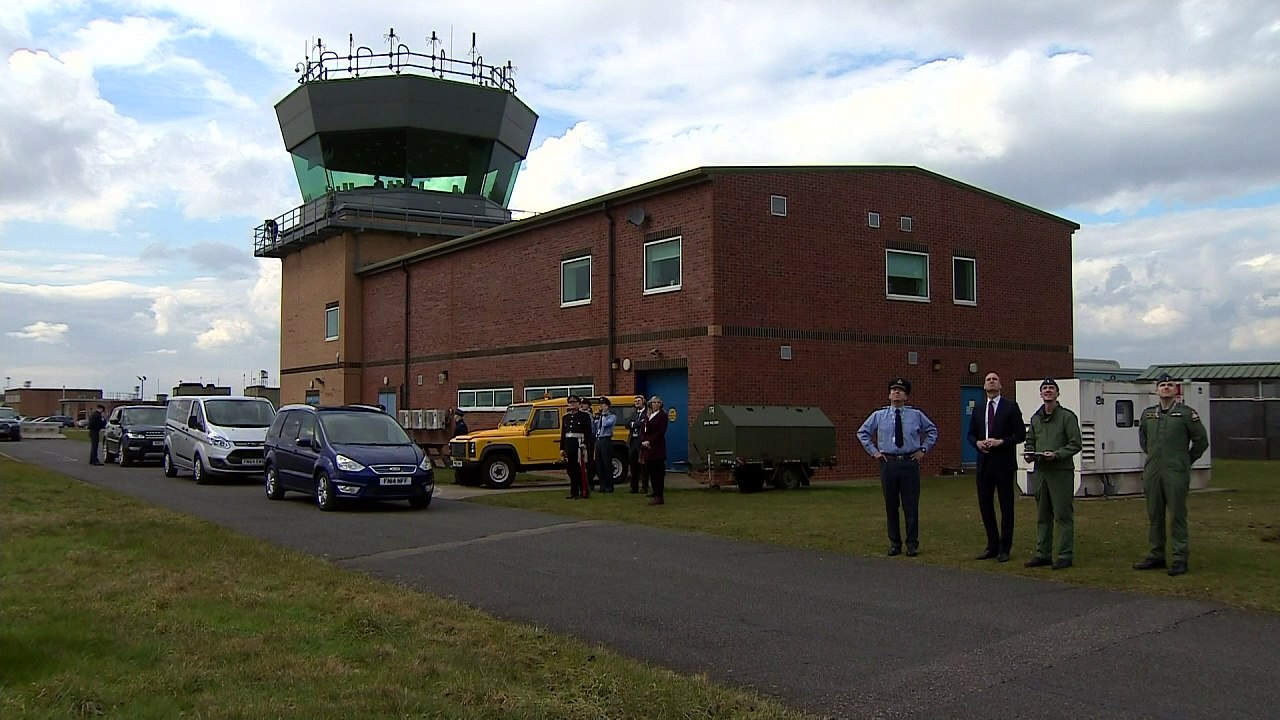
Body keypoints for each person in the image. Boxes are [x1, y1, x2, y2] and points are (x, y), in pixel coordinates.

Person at [1134, 373, 1209, 576]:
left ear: (1176, 390)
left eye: (1169, 385)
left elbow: (1201, 441)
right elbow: (1143, 438)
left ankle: (1179, 557)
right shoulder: (1148, 414)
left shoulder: (1186, 414)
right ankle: (1156, 554)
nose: (1166, 388)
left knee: (1177, 514)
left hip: (1175, 471)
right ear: (1156, 390)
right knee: (1154, 514)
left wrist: (1186, 460)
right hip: (1153, 470)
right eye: (1162, 385)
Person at [856, 378, 938, 557]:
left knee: (911, 505)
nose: (896, 392)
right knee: (891, 505)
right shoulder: (879, 415)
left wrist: (923, 449)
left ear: (906, 395)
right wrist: (874, 452)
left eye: (900, 390)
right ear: (888, 394)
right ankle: (894, 543)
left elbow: (932, 431)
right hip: (889, 464)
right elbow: (862, 432)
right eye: (893, 390)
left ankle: (912, 543)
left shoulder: (916, 415)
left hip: (909, 463)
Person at [1022, 379, 1082, 570]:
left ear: (1057, 393)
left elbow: (1075, 443)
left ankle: (1065, 555)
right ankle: (1043, 553)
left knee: (1062, 514)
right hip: (1041, 472)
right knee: (1042, 514)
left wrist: (1057, 455)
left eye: (1051, 389)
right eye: (1045, 389)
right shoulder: (1036, 418)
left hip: (1060, 473)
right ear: (1040, 394)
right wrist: (1030, 454)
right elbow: (1029, 440)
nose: (1048, 391)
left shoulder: (1067, 417)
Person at [966, 372, 1026, 563]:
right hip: (984, 463)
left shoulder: (1010, 407)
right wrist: (977, 444)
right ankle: (992, 545)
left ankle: (1005, 548)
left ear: (1000, 385)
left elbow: (1020, 435)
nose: (991, 381)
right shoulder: (979, 409)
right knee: (985, 505)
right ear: (984, 386)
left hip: (1004, 463)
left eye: (994, 379)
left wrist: (1001, 442)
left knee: (1006, 506)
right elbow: (971, 434)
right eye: (988, 380)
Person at [559, 395, 594, 499]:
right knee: (570, 470)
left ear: (579, 404)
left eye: (574, 402)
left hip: (579, 445)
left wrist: (585, 444)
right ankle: (573, 491)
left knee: (579, 469)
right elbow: (563, 434)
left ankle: (583, 490)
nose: (572, 404)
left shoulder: (584, 416)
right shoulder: (566, 417)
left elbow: (588, 432)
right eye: (570, 402)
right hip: (569, 445)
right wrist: (562, 448)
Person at [640, 395, 669, 506]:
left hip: (657, 448)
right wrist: (643, 440)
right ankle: (655, 492)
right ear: (650, 404)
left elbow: (660, 432)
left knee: (658, 472)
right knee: (650, 471)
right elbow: (643, 430)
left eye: (658, 402)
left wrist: (650, 441)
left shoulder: (662, 416)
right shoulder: (648, 416)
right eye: (654, 402)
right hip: (647, 449)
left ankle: (659, 496)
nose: (656, 404)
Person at [593, 397, 617, 492]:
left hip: (606, 440)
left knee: (607, 463)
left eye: (603, 405)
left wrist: (603, 416)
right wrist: (596, 419)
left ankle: (609, 486)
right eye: (600, 405)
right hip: (598, 440)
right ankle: (602, 485)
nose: (601, 407)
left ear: (607, 406)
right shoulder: (600, 417)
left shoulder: (611, 416)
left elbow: (606, 425)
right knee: (599, 464)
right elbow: (595, 427)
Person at [626, 395, 648, 494]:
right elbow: (627, 424)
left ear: (643, 402)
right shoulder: (633, 413)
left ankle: (644, 487)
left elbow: (642, 424)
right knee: (633, 465)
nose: (637, 403)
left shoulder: (646, 413)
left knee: (643, 465)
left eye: (639, 401)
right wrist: (634, 424)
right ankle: (633, 487)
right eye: (635, 401)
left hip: (641, 441)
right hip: (633, 441)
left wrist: (634, 424)